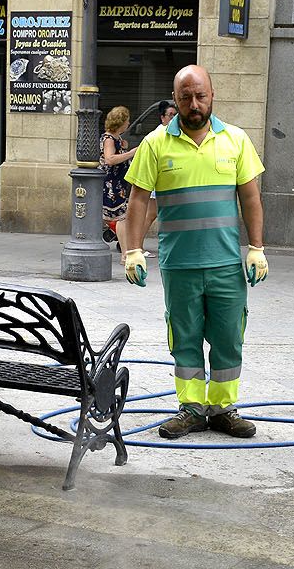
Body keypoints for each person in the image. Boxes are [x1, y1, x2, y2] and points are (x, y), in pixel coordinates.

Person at [121, 64, 268, 440]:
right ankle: (190, 409)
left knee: (228, 338)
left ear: (212, 95)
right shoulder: (156, 143)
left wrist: (256, 248)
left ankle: (222, 409)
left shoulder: (236, 140)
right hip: (180, 265)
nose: (194, 103)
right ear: (176, 100)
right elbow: (138, 201)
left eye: (200, 95)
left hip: (225, 265)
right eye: (185, 97)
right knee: (184, 339)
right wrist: (132, 251)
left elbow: (250, 198)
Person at [100, 106, 137, 248]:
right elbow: (109, 159)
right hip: (112, 184)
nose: (128, 123)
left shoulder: (117, 138)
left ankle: (112, 234)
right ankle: (124, 254)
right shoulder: (109, 139)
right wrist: (131, 153)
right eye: (127, 121)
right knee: (122, 217)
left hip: (119, 183)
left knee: (122, 217)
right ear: (120, 122)